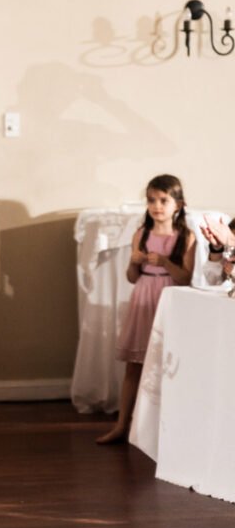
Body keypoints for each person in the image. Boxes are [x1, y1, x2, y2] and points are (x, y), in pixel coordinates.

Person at [97, 174, 195, 445]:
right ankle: (122, 425)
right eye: (151, 200)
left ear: (178, 204)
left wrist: (164, 262)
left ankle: (166, 427)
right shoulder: (141, 234)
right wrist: (134, 262)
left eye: (163, 200)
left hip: (168, 299)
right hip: (143, 297)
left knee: (169, 363)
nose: (157, 206)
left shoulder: (186, 237)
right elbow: (132, 277)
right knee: (134, 366)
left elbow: (185, 278)